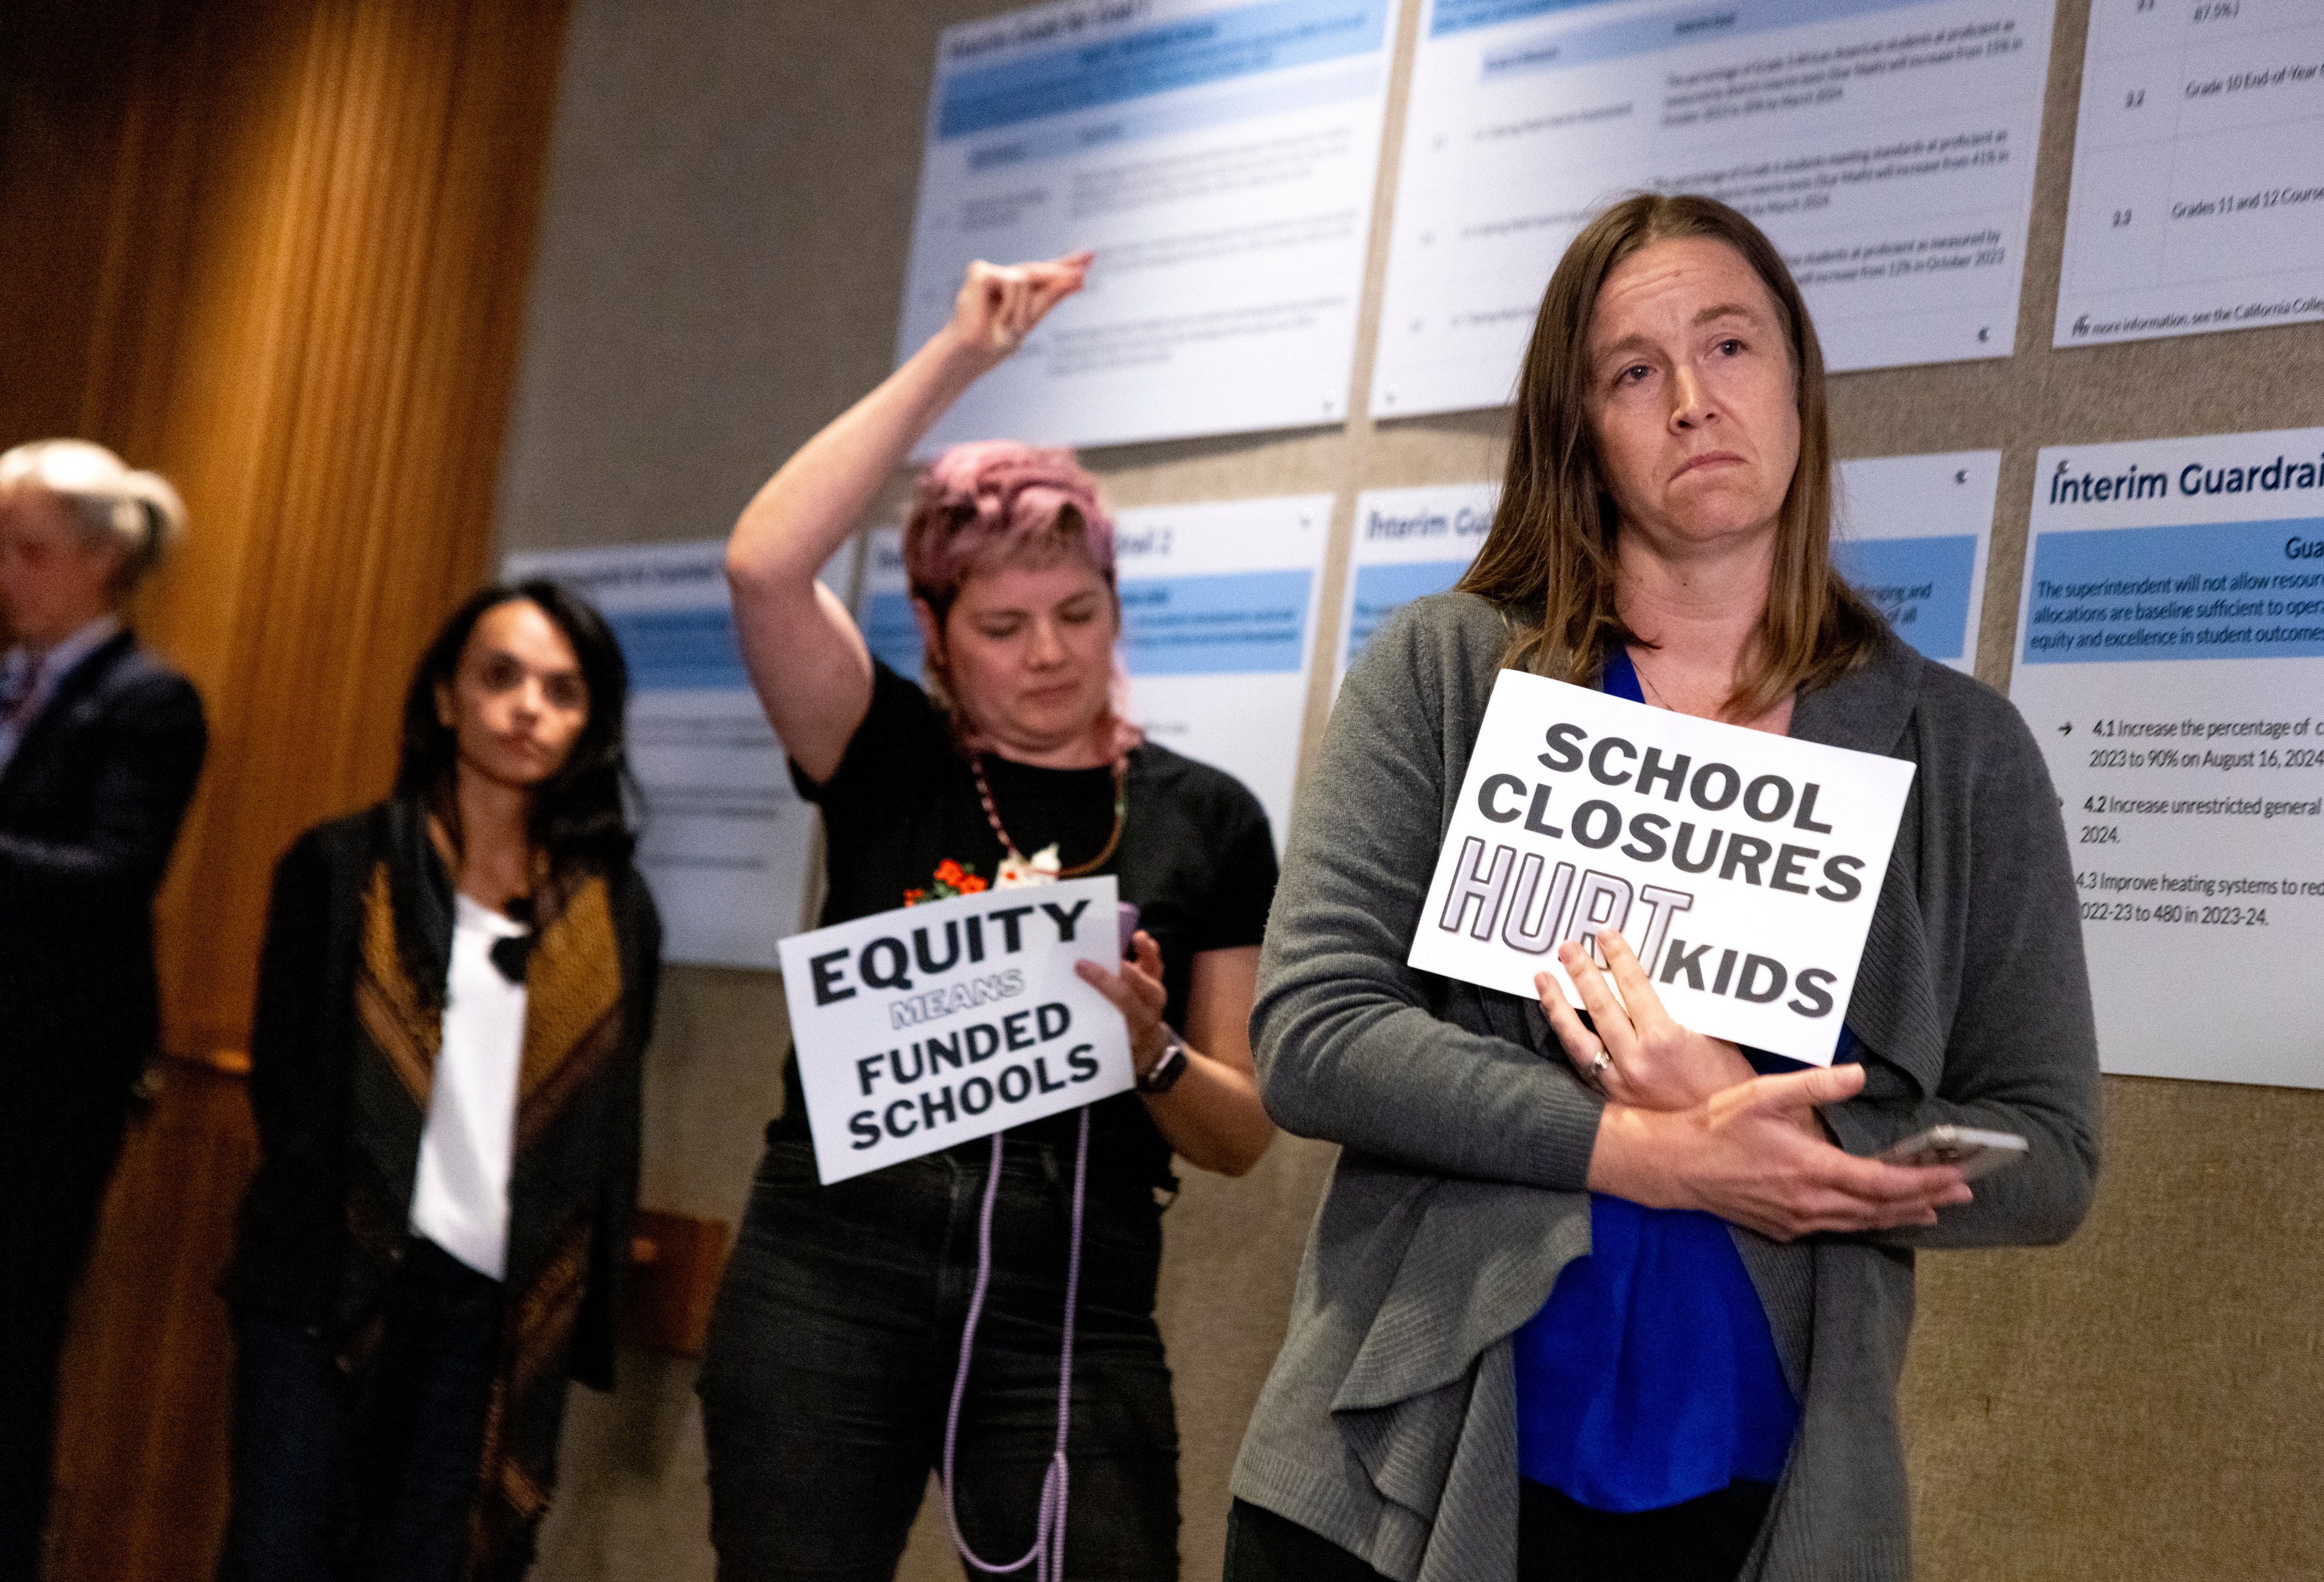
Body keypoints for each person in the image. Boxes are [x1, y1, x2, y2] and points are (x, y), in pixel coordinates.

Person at [1223, 195, 2102, 1582]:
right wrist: (1657, 1150)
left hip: (1765, 1489)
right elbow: (1316, 1036)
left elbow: (2048, 1153)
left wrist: (1803, 1158)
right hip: (1404, 1466)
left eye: (1732, 346)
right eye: (1636, 371)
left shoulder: (1963, 751)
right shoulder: (1450, 672)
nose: (1695, 401)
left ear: (1799, 384)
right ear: (1581, 432)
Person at [702, 251, 1279, 1582]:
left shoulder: (1210, 817)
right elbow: (762, 566)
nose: (1051, 653)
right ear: (935, 628)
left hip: (1068, 1307)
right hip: (828, 1275)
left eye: (1080, 613)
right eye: (1006, 624)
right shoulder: (886, 753)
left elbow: (1243, 1131)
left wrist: (1150, 1055)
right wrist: (959, 357)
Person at [214, 581, 661, 1582]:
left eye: (562, 689)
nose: (527, 708)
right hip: (328, 1283)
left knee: (444, 1563)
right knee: (279, 1555)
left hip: (499, 1308)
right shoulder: (341, 865)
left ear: (591, 723)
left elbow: (606, 1119)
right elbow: (287, 1089)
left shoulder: (615, 909)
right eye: (499, 677)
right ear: (446, 698)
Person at [0, 440, 207, 1582]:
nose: (4, 572)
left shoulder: (148, 700)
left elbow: (115, 870)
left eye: (27, 550)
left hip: (46, 1070)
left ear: (104, 559)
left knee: (16, 1336)